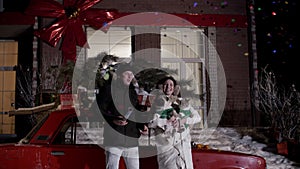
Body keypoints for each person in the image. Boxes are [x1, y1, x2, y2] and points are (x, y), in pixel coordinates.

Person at [96, 61, 148, 169]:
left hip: (131, 139)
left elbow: (135, 113)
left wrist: (142, 125)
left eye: (131, 74)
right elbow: (98, 110)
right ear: (119, 76)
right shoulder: (108, 90)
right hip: (114, 139)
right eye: (127, 74)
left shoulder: (132, 92)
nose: (130, 77)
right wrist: (112, 120)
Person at [149, 76, 201, 169]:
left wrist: (185, 120)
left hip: (183, 146)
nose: (168, 87)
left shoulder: (181, 103)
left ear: (175, 88)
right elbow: (151, 122)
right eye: (166, 85)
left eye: (171, 84)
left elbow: (197, 117)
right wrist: (166, 121)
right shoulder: (157, 103)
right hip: (167, 146)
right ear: (161, 87)